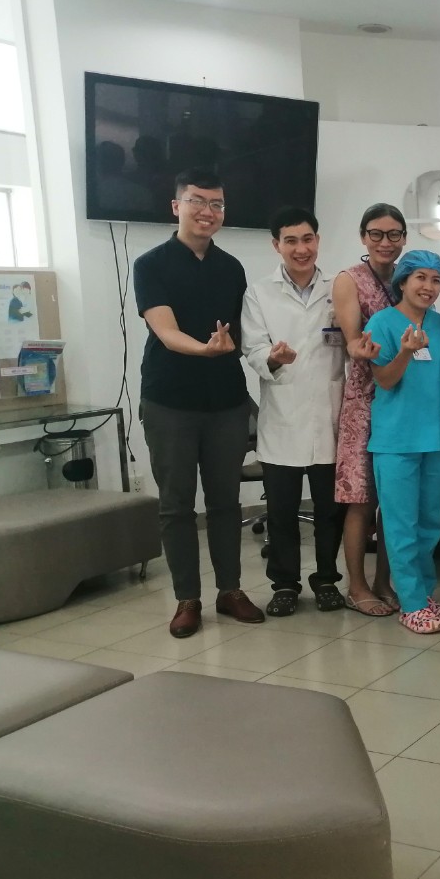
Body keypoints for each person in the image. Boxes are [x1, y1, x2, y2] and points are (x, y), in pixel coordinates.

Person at [134, 167, 264, 638]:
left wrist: (264, 352)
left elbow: (243, 333)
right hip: (169, 400)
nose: (208, 212)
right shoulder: (151, 264)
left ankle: (230, 590)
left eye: (217, 204)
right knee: (176, 506)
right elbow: (166, 331)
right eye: (197, 201)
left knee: (226, 501)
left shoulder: (232, 268)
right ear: (177, 206)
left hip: (226, 401)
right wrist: (204, 349)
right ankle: (187, 599)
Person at [240, 206, 347, 617]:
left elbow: (353, 340)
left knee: (329, 511)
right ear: (276, 245)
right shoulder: (259, 292)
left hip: (329, 414)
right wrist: (273, 357)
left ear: (318, 240)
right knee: (282, 511)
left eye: (307, 239)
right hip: (282, 415)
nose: (301, 249)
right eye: (291, 241)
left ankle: (326, 580)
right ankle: (284, 584)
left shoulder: (339, 287)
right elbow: (253, 346)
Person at [364, 250, 440, 635]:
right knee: (401, 525)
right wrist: (405, 351)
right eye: (420, 277)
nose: (429, 286)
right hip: (396, 441)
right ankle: (411, 604)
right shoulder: (382, 323)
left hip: (434, 438)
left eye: (436, 280)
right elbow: (385, 380)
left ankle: (424, 594)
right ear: (403, 282)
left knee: (430, 524)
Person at [332, 203, 405, 617]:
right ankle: (357, 586)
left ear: (404, 238)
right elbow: (352, 339)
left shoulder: (408, 277)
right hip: (365, 401)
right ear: (364, 237)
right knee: (361, 499)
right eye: (376, 233)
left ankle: (384, 583)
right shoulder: (349, 280)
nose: (385, 242)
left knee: (393, 500)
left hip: (403, 399)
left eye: (393, 234)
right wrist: (358, 347)